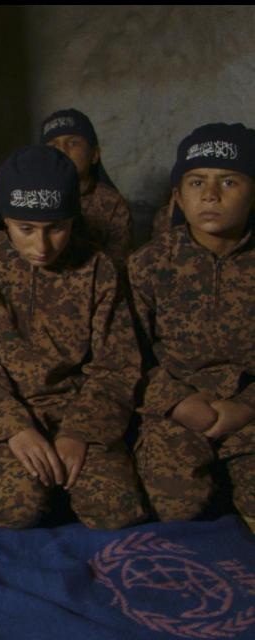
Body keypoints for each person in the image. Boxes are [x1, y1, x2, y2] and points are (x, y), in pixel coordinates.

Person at [0, 145, 146, 529]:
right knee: (14, 507)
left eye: (56, 228)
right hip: (2, 410)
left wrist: (80, 431)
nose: (41, 247)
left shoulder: (98, 270)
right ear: (5, 218)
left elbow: (117, 366)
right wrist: (13, 426)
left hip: (77, 409)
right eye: (25, 229)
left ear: (73, 220)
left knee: (114, 508)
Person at [129, 122, 255, 522]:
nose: (211, 195)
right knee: (178, 503)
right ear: (178, 198)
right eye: (197, 183)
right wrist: (176, 402)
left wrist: (247, 407)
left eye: (229, 182)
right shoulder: (148, 264)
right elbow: (127, 356)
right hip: (176, 410)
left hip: (248, 410)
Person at [40, 108, 133, 265]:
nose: (62, 151)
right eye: (53, 145)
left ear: (95, 154)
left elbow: (117, 266)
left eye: (73, 143)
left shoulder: (111, 204)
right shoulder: (31, 198)